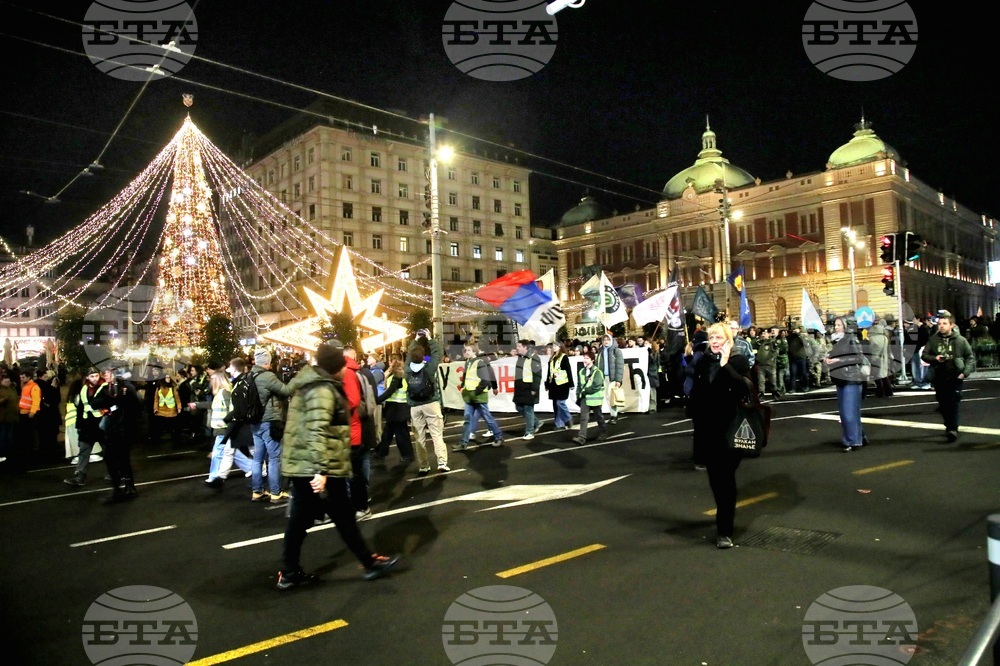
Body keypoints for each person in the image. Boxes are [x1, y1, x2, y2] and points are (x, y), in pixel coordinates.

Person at [276, 342, 399, 590]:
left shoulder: (311, 384)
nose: (346, 369)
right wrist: (320, 470)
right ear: (336, 367)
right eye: (343, 365)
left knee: (311, 519)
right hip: (317, 467)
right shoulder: (322, 389)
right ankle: (366, 563)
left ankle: (291, 572)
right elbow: (317, 430)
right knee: (334, 517)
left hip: (306, 464)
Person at [688, 322, 753, 549]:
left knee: (725, 479)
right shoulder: (704, 361)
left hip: (730, 428)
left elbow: (742, 388)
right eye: (712, 338)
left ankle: (724, 531)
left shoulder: (738, 361)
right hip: (708, 430)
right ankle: (723, 519)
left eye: (719, 338)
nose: (715, 342)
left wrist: (725, 365)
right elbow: (695, 390)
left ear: (728, 340)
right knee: (716, 480)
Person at [921, 310, 976, 442]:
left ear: (951, 325)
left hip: (955, 376)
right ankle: (948, 424)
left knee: (954, 403)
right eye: (940, 323)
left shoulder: (960, 340)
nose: (941, 326)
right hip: (939, 376)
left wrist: (965, 373)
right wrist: (935, 358)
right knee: (943, 403)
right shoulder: (933, 339)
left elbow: (970, 357)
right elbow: (924, 355)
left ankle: (953, 428)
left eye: (944, 323)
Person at [249, 349, 292, 503]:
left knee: (258, 458)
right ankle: (276, 492)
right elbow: (286, 390)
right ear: (267, 362)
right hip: (269, 421)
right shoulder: (268, 376)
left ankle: (257, 491)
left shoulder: (249, 375)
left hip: (254, 422)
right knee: (274, 458)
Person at [406, 330, 449, 475]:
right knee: (437, 434)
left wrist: (415, 340)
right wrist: (430, 339)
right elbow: (438, 354)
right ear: (422, 356)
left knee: (419, 438)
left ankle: (423, 465)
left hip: (414, 406)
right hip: (431, 403)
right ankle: (442, 462)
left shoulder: (407, 369)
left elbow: (407, 355)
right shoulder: (429, 368)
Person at [824, 317, 869, 452]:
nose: (836, 327)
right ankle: (859, 436)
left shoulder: (851, 339)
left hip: (852, 378)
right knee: (845, 411)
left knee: (849, 411)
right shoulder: (838, 340)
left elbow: (858, 357)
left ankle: (852, 441)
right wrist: (828, 358)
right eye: (835, 325)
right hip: (841, 378)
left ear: (845, 326)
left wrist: (837, 360)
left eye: (838, 325)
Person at [203, 371, 251, 489]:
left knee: (219, 453)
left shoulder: (224, 393)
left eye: (212, 380)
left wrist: (226, 421)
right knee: (231, 453)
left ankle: (215, 477)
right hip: (222, 427)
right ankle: (253, 468)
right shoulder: (220, 393)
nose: (210, 382)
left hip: (224, 428)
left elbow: (233, 409)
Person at [101, 368, 142, 502]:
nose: (104, 376)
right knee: (110, 458)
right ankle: (118, 486)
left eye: (106, 373)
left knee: (122, 458)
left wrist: (120, 405)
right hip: (112, 428)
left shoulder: (126, 387)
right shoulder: (108, 387)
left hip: (123, 428)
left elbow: (136, 405)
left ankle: (128, 487)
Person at [63, 368, 109, 487]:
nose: (95, 378)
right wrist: (79, 426)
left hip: (101, 425)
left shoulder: (105, 387)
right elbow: (81, 409)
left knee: (108, 451)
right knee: (83, 452)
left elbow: (106, 403)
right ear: (87, 378)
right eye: (92, 376)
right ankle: (80, 477)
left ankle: (114, 473)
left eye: (96, 376)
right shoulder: (84, 390)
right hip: (87, 426)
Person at [455, 343, 504, 450]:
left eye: (469, 350)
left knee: (488, 417)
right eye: (465, 350)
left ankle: (498, 437)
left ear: (474, 352)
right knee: (468, 419)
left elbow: (485, 379)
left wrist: (477, 391)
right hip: (470, 396)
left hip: (478, 396)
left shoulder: (479, 362)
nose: (466, 352)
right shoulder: (468, 362)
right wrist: (464, 386)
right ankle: (463, 443)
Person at [372, 355, 415, 465]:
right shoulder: (403, 375)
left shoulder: (397, 376)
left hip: (396, 409)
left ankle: (407, 455)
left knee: (400, 434)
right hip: (400, 407)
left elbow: (389, 392)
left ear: (391, 362)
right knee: (389, 432)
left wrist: (376, 400)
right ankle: (381, 452)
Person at [571, 350, 608, 445]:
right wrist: (578, 393)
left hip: (594, 399)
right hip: (585, 398)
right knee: (584, 418)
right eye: (584, 358)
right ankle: (582, 437)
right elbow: (579, 385)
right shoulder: (582, 371)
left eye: (587, 358)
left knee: (599, 417)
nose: (585, 360)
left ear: (592, 360)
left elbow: (597, 386)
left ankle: (603, 432)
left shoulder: (597, 372)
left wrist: (584, 391)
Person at [513, 339, 542, 439]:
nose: (517, 348)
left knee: (528, 409)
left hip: (529, 388)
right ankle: (537, 422)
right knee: (518, 407)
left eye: (519, 346)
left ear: (525, 347)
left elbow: (537, 375)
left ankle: (529, 432)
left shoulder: (534, 357)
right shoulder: (520, 357)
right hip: (520, 388)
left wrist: (534, 388)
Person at [545, 342, 574, 430]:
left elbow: (568, 370)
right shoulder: (552, 358)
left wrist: (571, 383)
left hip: (562, 384)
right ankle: (559, 424)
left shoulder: (564, 357)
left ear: (560, 347)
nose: (553, 347)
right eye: (553, 346)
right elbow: (549, 372)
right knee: (555, 405)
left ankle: (568, 418)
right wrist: (547, 383)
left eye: (555, 346)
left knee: (560, 403)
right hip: (553, 384)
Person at [597, 333, 624, 424]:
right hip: (603, 377)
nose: (606, 341)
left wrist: (618, 379)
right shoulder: (600, 351)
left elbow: (620, 366)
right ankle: (610, 415)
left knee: (612, 397)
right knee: (606, 397)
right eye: (604, 340)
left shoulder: (616, 351)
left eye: (608, 340)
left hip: (612, 378)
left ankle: (614, 416)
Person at [149, 375, 182, 445]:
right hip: (160, 410)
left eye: (169, 377)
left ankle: (176, 441)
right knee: (158, 427)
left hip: (171, 410)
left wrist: (179, 407)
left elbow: (177, 398)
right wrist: (155, 408)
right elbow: (156, 399)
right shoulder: (159, 388)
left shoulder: (173, 387)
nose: (168, 379)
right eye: (167, 377)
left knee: (173, 427)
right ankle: (155, 441)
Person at [868, 319, 894, 397]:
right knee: (884, 376)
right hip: (884, 358)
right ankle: (888, 391)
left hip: (875, 358)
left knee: (877, 376)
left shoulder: (873, 339)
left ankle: (880, 392)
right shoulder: (885, 338)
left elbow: (871, 349)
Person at [0, 373, 19, 464]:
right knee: (3, 436)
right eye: (5, 382)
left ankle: (10, 452)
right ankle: (3, 453)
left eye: (8, 381)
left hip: (12, 416)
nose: (7, 383)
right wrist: (4, 399)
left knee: (10, 436)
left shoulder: (12, 389)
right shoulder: (1, 390)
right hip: (3, 417)